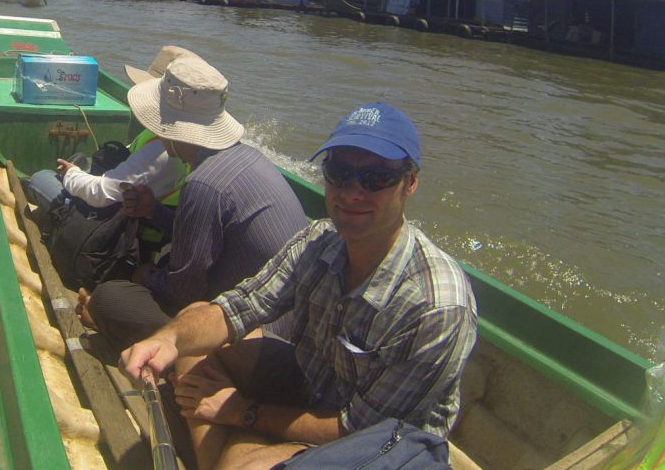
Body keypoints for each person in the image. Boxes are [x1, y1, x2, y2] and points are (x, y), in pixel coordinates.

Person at [120, 102, 478, 470]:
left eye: (376, 178)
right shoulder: (320, 240)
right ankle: (235, 454)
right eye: (339, 172)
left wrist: (242, 413)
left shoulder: (436, 306)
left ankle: (236, 456)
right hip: (313, 385)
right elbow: (242, 305)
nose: (353, 192)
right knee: (192, 332)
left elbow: (363, 429)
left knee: (241, 462)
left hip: (382, 446)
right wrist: (169, 339)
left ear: (410, 183)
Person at [79, 56, 309, 353]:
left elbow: (183, 293)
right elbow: (210, 234)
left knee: (110, 299)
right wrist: (154, 211)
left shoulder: (203, 183)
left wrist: (141, 274)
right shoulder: (247, 157)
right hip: (284, 323)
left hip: (255, 337)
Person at [25, 45, 198, 212]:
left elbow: (100, 194)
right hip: (125, 198)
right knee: (81, 161)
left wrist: (71, 174)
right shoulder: (179, 138)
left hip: (113, 220)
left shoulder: (162, 150)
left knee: (40, 178)